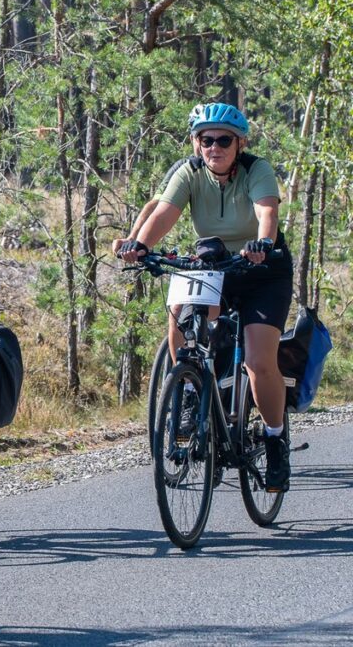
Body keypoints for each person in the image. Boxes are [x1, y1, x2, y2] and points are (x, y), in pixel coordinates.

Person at [117, 102, 293, 492]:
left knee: (258, 361)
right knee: (181, 309)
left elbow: (267, 211)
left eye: (223, 140)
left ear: (239, 143)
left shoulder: (256, 169)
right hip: (215, 265)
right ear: (197, 144)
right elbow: (164, 212)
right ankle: (190, 390)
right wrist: (140, 245)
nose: (213, 146)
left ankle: (275, 438)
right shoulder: (190, 171)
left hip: (263, 269)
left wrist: (263, 241)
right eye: (205, 139)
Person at [112, 103, 206, 255]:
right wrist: (133, 239)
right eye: (202, 138)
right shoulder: (185, 169)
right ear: (192, 139)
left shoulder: (247, 168)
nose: (211, 145)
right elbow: (156, 205)